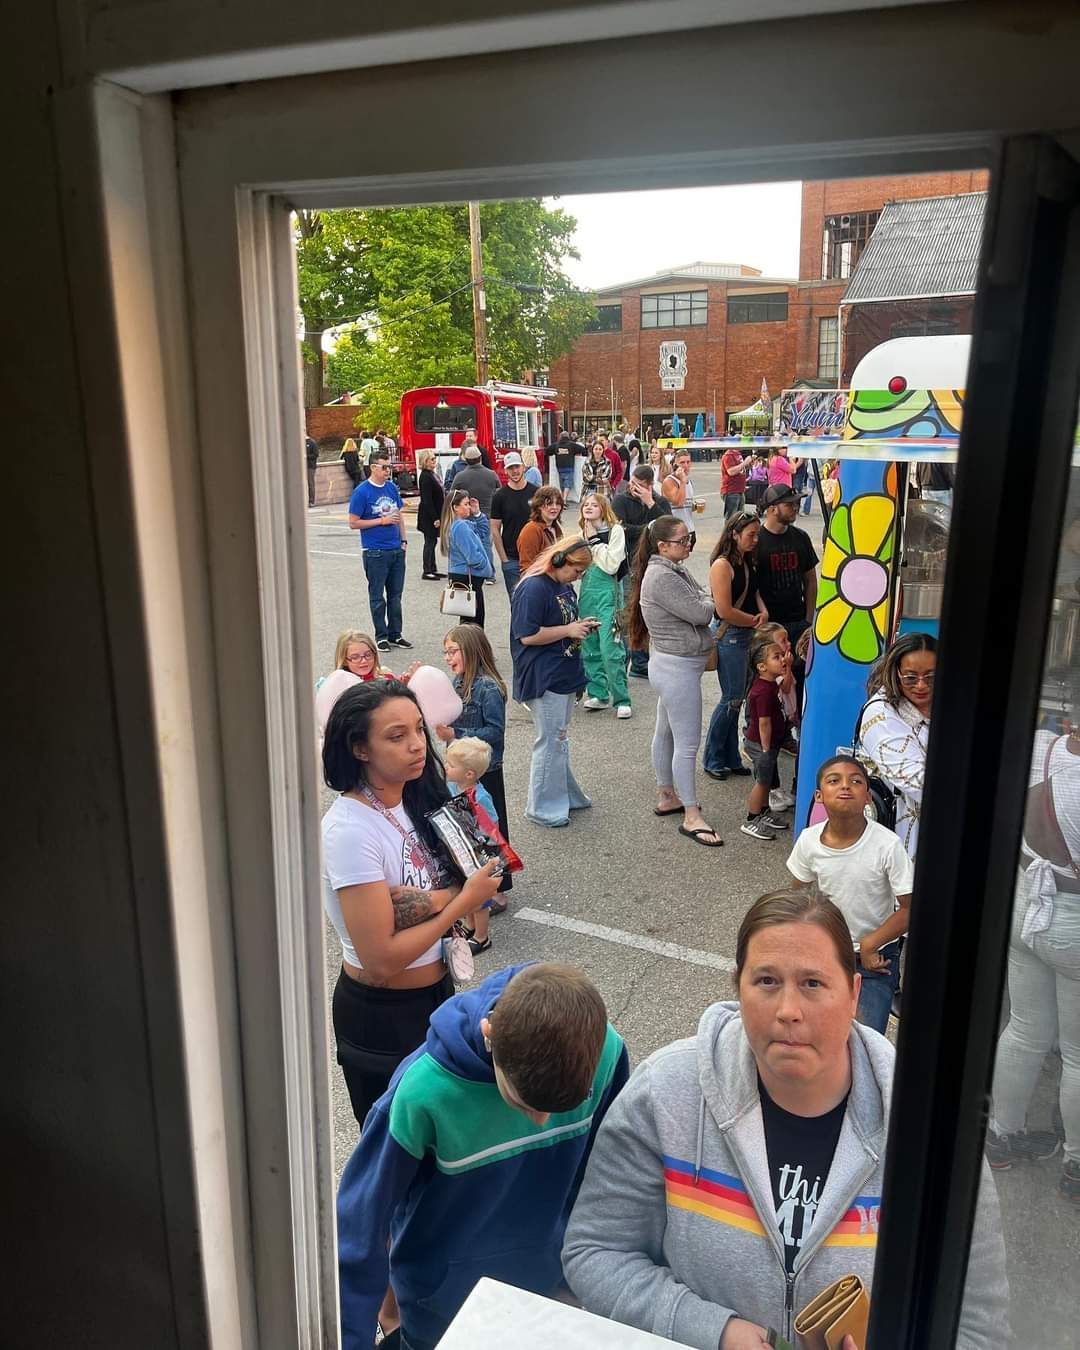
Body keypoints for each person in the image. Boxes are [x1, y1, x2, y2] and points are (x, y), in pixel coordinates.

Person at [562, 887, 1009, 1350]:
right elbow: (596, 1251)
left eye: (813, 984)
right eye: (767, 982)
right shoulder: (665, 1094)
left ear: (854, 993)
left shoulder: (932, 1128)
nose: (788, 1011)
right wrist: (709, 1329)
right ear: (738, 986)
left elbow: (975, 1325)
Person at [337, 963, 629, 1350]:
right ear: (490, 1036)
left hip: (549, 1291)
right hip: (443, 1309)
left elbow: (609, 1175)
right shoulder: (422, 1093)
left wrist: (584, 1276)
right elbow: (360, 1231)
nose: (541, 1121)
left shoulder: (607, 1050)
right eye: (525, 1103)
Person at [320, 681, 501, 1126]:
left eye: (419, 729)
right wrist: (461, 901)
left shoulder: (413, 798)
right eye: (396, 736)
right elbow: (381, 961)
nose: (417, 745)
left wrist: (432, 899)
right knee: (398, 1153)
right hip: (381, 1019)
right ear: (360, 749)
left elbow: (460, 873)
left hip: (434, 996)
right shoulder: (350, 829)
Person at [987, 722, 1080, 1198]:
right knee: (1079, 1054)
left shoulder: (1039, 745)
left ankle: (1003, 1135)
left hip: (1027, 902)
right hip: (1072, 920)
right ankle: (1077, 1166)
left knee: (1024, 1029)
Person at [786, 756, 914, 1034]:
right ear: (819, 796)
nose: (845, 786)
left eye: (856, 781)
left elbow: (909, 908)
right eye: (834, 781)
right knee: (817, 1032)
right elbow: (795, 899)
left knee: (865, 1040)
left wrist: (870, 944)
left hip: (876, 960)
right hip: (825, 953)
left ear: (868, 798)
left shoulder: (887, 845)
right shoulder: (809, 841)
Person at [625, 516, 721, 849]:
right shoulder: (663, 576)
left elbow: (700, 601)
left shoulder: (670, 569)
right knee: (687, 743)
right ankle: (691, 815)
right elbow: (703, 611)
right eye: (683, 540)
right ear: (662, 545)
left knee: (665, 732)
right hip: (677, 667)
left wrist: (703, 600)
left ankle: (667, 794)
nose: (689, 543)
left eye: (689, 537)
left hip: (673, 664)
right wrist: (708, 602)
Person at [510, 537, 595, 828]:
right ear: (559, 560)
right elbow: (527, 635)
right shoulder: (534, 587)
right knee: (551, 740)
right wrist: (568, 629)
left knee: (558, 737)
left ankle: (566, 796)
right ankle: (542, 807)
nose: (578, 577)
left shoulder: (561, 584)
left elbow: (562, 623)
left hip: (563, 671)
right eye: (577, 570)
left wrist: (579, 627)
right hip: (543, 675)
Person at [437, 624, 513, 910]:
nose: (447, 657)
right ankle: (475, 881)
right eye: (445, 651)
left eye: (453, 650)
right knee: (467, 827)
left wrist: (455, 735)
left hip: (484, 768)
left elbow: (494, 730)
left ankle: (499, 888)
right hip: (459, 769)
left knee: (490, 828)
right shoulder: (457, 682)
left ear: (470, 650)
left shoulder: (488, 688)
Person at [856, 632, 936, 862]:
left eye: (930, 677)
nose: (921, 686)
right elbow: (916, 781)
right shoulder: (880, 715)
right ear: (895, 673)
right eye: (911, 678)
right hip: (904, 834)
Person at [702, 512, 767, 781]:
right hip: (731, 636)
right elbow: (724, 610)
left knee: (737, 701)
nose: (755, 539)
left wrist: (763, 612)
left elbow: (755, 592)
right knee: (731, 699)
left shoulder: (747, 560)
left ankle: (730, 756)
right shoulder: (722, 565)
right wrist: (755, 620)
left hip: (748, 634)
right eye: (750, 535)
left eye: (757, 535)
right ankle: (712, 757)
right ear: (734, 534)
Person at [348, 450, 413, 653]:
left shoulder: (392, 488)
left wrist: (403, 540)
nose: (388, 471)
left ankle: (396, 634)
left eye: (389, 467)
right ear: (373, 467)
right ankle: (381, 635)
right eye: (384, 467)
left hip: (395, 549)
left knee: (396, 595)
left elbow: (399, 515)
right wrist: (381, 521)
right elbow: (353, 522)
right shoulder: (362, 492)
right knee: (377, 597)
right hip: (375, 551)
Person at [442, 737, 501, 955]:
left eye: (451, 765)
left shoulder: (480, 797)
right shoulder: (451, 786)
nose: (446, 767)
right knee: (464, 891)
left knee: (479, 898)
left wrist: (479, 838)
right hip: (460, 849)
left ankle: (482, 937)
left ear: (469, 774)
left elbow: (492, 823)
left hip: (477, 853)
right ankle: (469, 924)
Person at [613, 466, 672, 679]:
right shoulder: (620, 500)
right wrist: (648, 529)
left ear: (648, 485)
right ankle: (633, 662)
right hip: (630, 565)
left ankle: (642, 662)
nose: (632, 486)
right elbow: (620, 529)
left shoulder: (659, 502)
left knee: (652, 614)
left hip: (656, 566)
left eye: (638, 484)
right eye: (632, 481)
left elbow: (668, 528)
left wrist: (650, 504)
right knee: (632, 613)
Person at [578, 493, 631, 719]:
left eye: (594, 504)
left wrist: (594, 542)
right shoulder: (581, 533)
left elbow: (611, 564)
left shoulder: (615, 531)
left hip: (609, 594)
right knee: (589, 646)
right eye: (585, 504)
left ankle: (622, 698)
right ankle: (598, 693)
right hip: (587, 593)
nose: (588, 507)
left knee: (611, 648)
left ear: (603, 508)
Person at [741, 636, 794, 841]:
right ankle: (751, 819)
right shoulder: (762, 691)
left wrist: (787, 667)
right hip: (762, 745)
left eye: (782, 655)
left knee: (768, 780)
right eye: (776, 657)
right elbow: (763, 723)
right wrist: (765, 750)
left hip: (770, 744)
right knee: (762, 782)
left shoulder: (771, 683)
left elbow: (787, 687)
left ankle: (763, 813)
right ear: (762, 667)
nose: (782, 659)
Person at [755, 483, 819, 649]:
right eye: (789, 504)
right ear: (772, 509)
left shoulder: (801, 537)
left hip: (798, 620)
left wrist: (809, 619)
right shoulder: (756, 541)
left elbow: (811, 580)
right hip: (769, 625)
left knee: (798, 672)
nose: (795, 507)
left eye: (796, 503)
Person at [315, 630, 393, 745]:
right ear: (344, 660)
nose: (364, 661)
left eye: (368, 654)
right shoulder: (336, 685)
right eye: (355, 657)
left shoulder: (386, 678)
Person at [440, 488, 493, 628]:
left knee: (468, 616)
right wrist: (484, 564)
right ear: (455, 507)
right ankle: (470, 647)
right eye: (466, 504)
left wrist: (477, 514)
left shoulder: (460, 524)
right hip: (468, 575)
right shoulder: (460, 527)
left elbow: (483, 533)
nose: (469, 506)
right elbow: (472, 557)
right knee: (474, 620)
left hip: (463, 574)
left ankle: (468, 646)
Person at [490, 451, 537, 598]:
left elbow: (544, 523)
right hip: (511, 558)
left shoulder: (536, 492)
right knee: (516, 602)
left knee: (536, 601)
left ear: (523, 467)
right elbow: (495, 529)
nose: (515, 471)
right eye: (510, 468)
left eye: (517, 467)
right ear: (505, 471)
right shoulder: (499, 496)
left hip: (535, 558)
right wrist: (504, 559)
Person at [450, 445, 500, 572]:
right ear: (480, 458)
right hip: (486, 514)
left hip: (466, 516)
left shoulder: (460, 477)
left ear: (466, 460)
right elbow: (499, 493)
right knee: (486, 544)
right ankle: (489, 572)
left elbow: (452, 495)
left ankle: (473, 570)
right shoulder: (491, 474)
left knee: (469, 545)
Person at [661, 448, 702, 549]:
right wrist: (682, 481)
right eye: (682, 462)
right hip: (674, 530)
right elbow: (678, 502)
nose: (686, 465)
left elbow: (685, 505)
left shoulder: (689, 482)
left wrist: (695, 506)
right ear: (675, 464)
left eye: (688, 462)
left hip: (689, 528)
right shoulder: (670, 481)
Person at [516, 486, 565, 570]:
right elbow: (527, 567)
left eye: (557, 503)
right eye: (549, 504)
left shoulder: (556, 527)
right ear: (539, 506)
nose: (554, 507)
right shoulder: (531, 530)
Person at [416, 451, 445, 580]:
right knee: (429, 542)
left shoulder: (432, 474)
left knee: (432, 541)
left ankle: (433, 568)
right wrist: (435, 518)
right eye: (431, 459)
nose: (434, 461)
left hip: (436, 512)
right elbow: (427, 500)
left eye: (434, 459)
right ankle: (427, 570)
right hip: (429, 516)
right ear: (425, 461)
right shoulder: (425, 477)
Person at [720, 445, 751, 519]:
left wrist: (748, 465)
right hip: (731, 490)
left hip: (740, 490)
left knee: (740, 517)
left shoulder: (738, 454)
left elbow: (740, 468)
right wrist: (745, 462)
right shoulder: (728, 455)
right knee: (731, 517)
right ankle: (729, 530)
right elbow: (731, 471)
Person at [554, 431, 585, 497]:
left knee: (562, 484)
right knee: (567, 484)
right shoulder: (572, 444)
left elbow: (548, 450)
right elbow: (583, 449)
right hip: (569, 467)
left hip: (559, 468)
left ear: (560, 437)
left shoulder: (556, 445)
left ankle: (562, 499)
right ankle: (564, 500)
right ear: (568, 437)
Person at [305, 434, 319, 507]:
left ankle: (311, 501)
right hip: (303, 467)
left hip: (310, 466)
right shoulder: (301, 443)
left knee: (310, 483)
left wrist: (306, 456)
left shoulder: (312, 442)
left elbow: (316, 454)